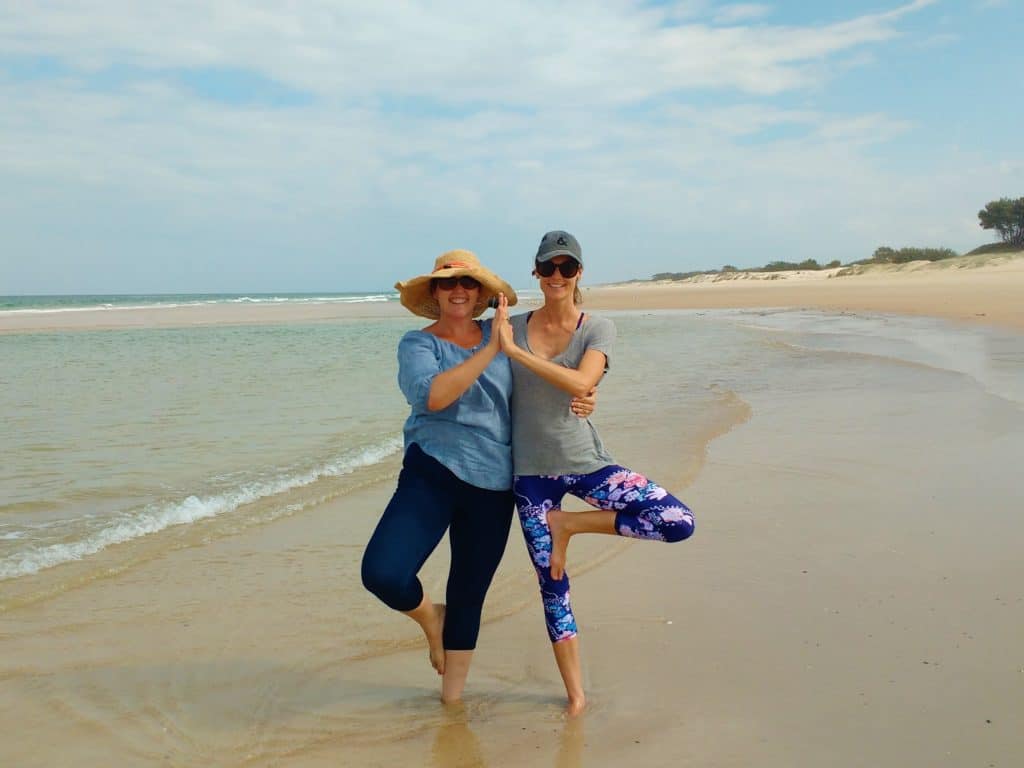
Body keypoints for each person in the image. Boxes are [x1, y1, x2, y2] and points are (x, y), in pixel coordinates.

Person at [361, 249, 595, 704]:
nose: (458, 290)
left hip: (494, 484)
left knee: (468, 596)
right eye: (448, 283)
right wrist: (490, 350)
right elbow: (433, 396)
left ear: (483, 294)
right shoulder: (419, 344)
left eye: (468, 283)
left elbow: (552, 376)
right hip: (431, 471)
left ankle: (451, 704)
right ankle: (431, 618)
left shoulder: (508, 336)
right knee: (384, 574)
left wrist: (588, 397)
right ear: (434, 292)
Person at [495, 230, 696, 716]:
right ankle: (576, 695)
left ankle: (570, 525)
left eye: (567, 268)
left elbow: (584, 379)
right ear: (536, 273)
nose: (557, 276)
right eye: (549, 268)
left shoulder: (597, 327)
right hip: (532, 477)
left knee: (676, 521)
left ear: (579, 272)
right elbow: (457, 327)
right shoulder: (509, 325)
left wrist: (520, 355)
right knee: (553, 587)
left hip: (588, 464)